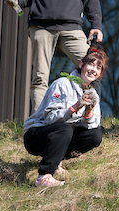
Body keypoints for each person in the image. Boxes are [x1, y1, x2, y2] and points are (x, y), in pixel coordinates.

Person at [23, 44, 106, 187]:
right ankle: (44, 176)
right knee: (65, 129)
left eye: (98, 68)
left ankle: (56, 160)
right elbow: (50, 118)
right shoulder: (62, 84)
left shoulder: (93, 95)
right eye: (91, 64)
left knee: (95, 136)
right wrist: (74, 107)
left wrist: (88, 113)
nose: (93, 70)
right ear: (81, 64)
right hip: (36, 135)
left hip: (61, 135)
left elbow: (91, 127)